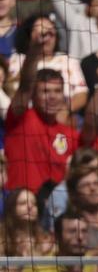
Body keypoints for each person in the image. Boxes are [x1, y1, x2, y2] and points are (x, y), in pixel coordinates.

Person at [5, 67, 78, 196]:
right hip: (20, 205)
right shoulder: (21, 119)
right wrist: (35, 53)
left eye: (57, 91)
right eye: (45, 91)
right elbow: (25, 86)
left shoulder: (71, 134)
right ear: (33, 96)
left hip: (55, 208)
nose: (52, 96)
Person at [8, 14, 89, 117]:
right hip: (26, 118)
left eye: (50, 33)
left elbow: (81, 94)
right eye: (41, 33)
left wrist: (63, 111)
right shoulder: (16, 60)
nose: (46, 38)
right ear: (28, 35)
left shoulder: (68, 60)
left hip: (62, 118)